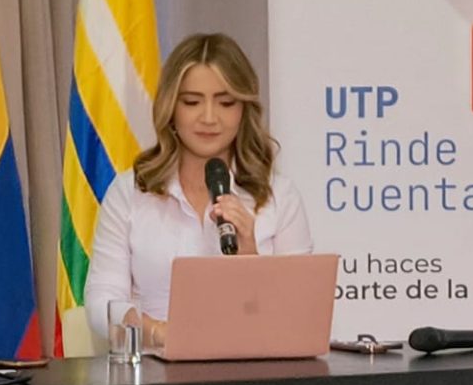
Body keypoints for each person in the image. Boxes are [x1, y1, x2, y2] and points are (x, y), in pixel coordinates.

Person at [83, 33, 312, 349]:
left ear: (243, 110)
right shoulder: (131, 191)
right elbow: (101, 302)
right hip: (154, 367)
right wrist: (158, 332)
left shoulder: (279, 196)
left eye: (226, 103)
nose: (209, 118)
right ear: (171, 108)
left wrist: (250, 259)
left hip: (252, 370)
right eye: (191, 102)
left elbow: (301, 315)